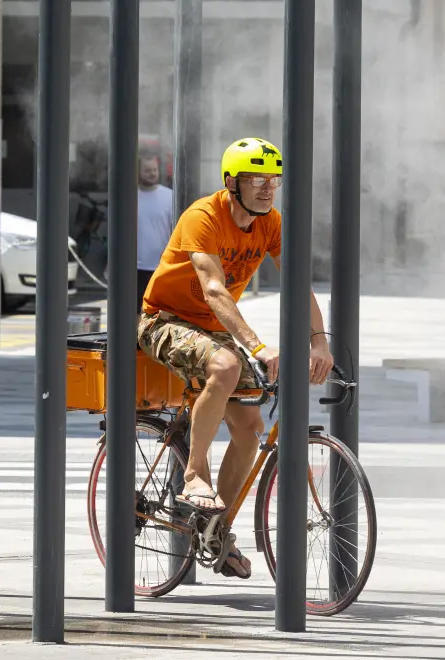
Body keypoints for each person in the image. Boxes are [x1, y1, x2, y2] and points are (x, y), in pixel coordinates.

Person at [138, 137, 335, 579]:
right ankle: (192, 477)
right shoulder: (203, 216)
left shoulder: (271, 223)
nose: (267, 189)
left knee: (250, 427)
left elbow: (297, 282)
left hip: (210, 329)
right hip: (164, 320)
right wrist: (258, 346)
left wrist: (319, 341)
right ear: (231, 182)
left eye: (273, 180)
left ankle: (215, 530)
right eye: (256, 179)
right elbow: (212, 289)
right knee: (225, 365)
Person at [137, 154, 174, 314]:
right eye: (147, 170)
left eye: (154, 169)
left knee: (161, 312)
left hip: (162, 266)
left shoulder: (169, 196)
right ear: (138, 172)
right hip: (135, 267)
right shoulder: (130, 196)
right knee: (136, 311)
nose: (152, 173)